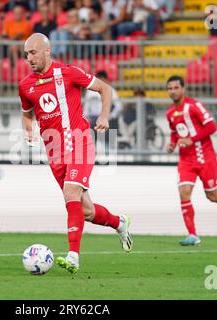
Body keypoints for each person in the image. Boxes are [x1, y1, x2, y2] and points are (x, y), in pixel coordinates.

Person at [19, 33, 133, 274]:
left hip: (79, 140)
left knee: (71, 192)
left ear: (47, 51)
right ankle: (119, 223)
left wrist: (104, 117)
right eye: (26, 54)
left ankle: (73, 256)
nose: (29, 58)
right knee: (86, 211)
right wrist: (28, 131)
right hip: (54, 150)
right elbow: (26, 113)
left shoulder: (68, 73)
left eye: (33, 52)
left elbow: (105, 88)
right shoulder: (25, 85)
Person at [165, 75, 217, 246]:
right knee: (184, 193)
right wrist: (172, 144)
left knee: (212, 195)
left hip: (205, 157)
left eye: (176, 87)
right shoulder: (170, 113)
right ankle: (193, 235)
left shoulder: (194, 106)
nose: (173, 91)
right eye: (170, 88)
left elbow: (211, 126)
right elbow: (174, 131)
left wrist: (192, 140)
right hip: (186, 160)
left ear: (183, 89)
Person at [84, 70, 122, 149]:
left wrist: (110, 116)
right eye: (98, 79)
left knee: (106, 142)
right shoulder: (90, 92)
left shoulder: (111, 90)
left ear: (105, 79)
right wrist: (87, 117)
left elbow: (119, 106)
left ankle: (108, 156)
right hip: (93, 120)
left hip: (106, 119)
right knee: (91, 142)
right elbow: (86, 107)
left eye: (101, 79)